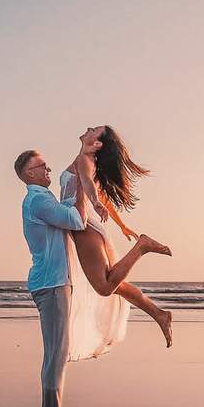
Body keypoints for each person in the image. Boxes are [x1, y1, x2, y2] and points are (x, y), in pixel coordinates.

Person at [60, 126, 174, 351]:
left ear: (98, 144)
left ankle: (142, 247)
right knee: (117, 284)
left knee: (104, 286)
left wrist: (94, 203)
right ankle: (159, 314)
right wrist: (121, 225)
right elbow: (99, 192)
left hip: (84, 227)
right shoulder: (86, 160)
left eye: (95, 130)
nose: (89, 128)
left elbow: (90, 187)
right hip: (82, 225)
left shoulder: (85, 159)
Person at [16, 142, 98, 407]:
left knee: (56, 353)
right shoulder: (38, 201)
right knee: (56, 354)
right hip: (51, 284)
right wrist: (81, 195)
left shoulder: (43, 198)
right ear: (28, 174)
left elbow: (65, 207)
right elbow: (76, 220)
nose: (47, 169)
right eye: (42, 166)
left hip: (53, 282)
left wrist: (78, 166)